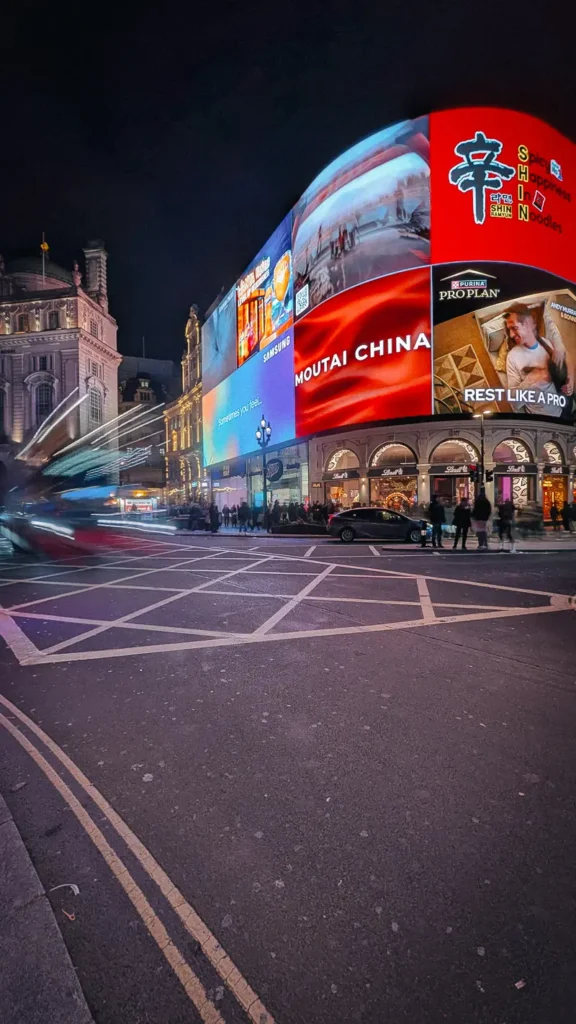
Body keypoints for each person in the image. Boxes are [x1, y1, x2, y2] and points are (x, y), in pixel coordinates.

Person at [503, 304, 573, 418]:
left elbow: (566, 356)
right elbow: (515, 404)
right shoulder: (512, 358)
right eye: (509, 330)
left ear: (527, 324)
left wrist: (571, 380)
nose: (510, 335)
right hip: (545, 419)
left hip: (565, 405)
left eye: (514, 328)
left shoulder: (547, 343)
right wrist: (532, 379)